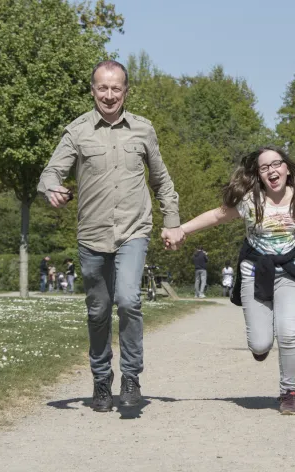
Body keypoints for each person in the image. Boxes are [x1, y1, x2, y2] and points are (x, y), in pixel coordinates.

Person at [38, 60, 185, 413]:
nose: (108, 95)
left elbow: (161, 180)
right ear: (92, 90)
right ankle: (101, 379)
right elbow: (50, 173)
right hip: (92, 234)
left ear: (126, 91)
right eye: (102, 88)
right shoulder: (77, 132)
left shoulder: (143, 129)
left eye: (115, 88)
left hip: (134, 230)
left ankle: (131, 377)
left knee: (129, 299)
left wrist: (172, 221)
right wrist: (52, 188)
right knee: (98, 310)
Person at [163, 146, 295, 414]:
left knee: (288, 332)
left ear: (286, 168)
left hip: (289, 270)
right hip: (254, 271)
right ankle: (261, 342)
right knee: (260, 343)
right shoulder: (249, 200)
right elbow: (217, 215)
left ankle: (288, 393)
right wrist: (181, 230)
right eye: (264, 168)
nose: (271, 171)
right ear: (259, 175)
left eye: (276, 164)